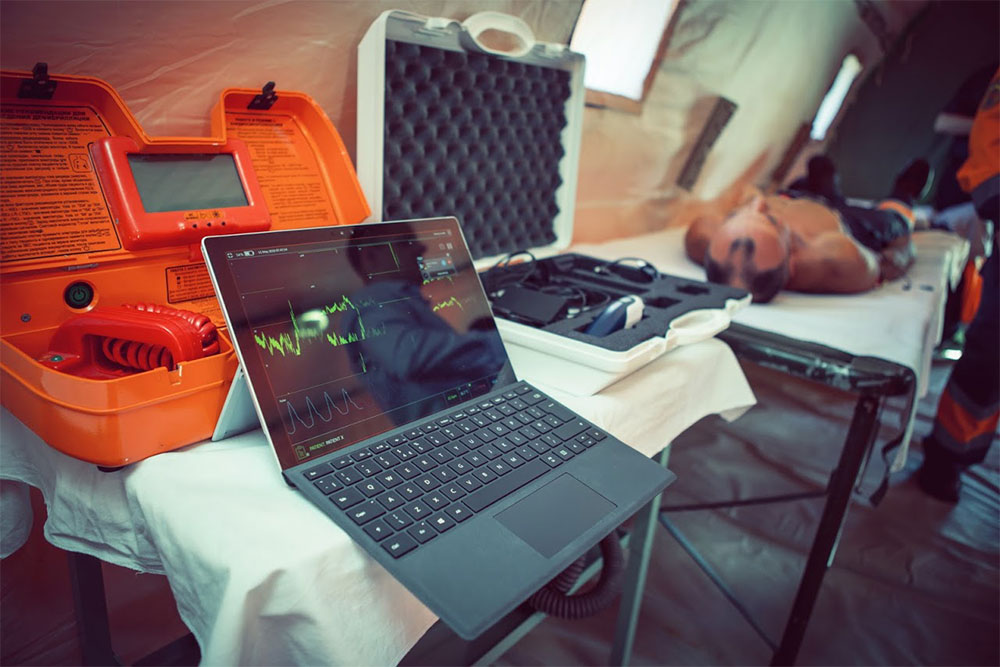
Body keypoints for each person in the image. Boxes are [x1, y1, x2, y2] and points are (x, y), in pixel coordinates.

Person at [917, 67, 1000, 503]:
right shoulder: (984, 79)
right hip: (972, 203)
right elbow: (988, 129)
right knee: (989, 354)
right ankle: (947, 458)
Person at [684, 157, 926, 303]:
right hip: (846, 219)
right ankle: (904, 193)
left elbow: (701, 230)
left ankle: (827, 186)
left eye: (738, 217)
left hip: (794, 196)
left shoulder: (705, 237)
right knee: (894, 220)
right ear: (793, 261)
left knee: (818, 166)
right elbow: (896, 257)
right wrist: (901, 251)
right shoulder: (835, 258)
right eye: (772, 220)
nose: (759, 203)